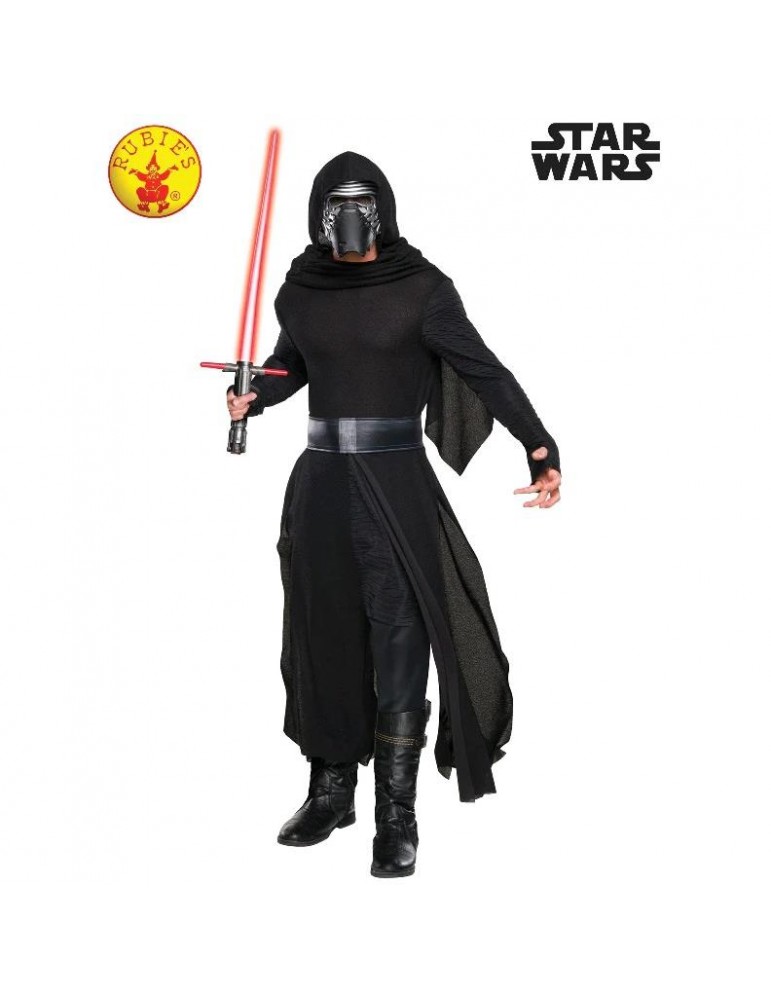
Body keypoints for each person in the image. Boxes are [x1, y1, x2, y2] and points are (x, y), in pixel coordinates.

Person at [226, 152, 562, 878]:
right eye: (336, 203)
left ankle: (395, 812)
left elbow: (483, 369)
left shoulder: (421, 288)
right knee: (322, 631)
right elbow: (293, 364)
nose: (349, 216)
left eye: (361, 201)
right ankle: (330, 792)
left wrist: (539, 445)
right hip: (320, 482)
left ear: (383, 209)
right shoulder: (300, 287)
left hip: (394, 481)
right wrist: (258, 392)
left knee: (401, 635)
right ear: (318, 213)